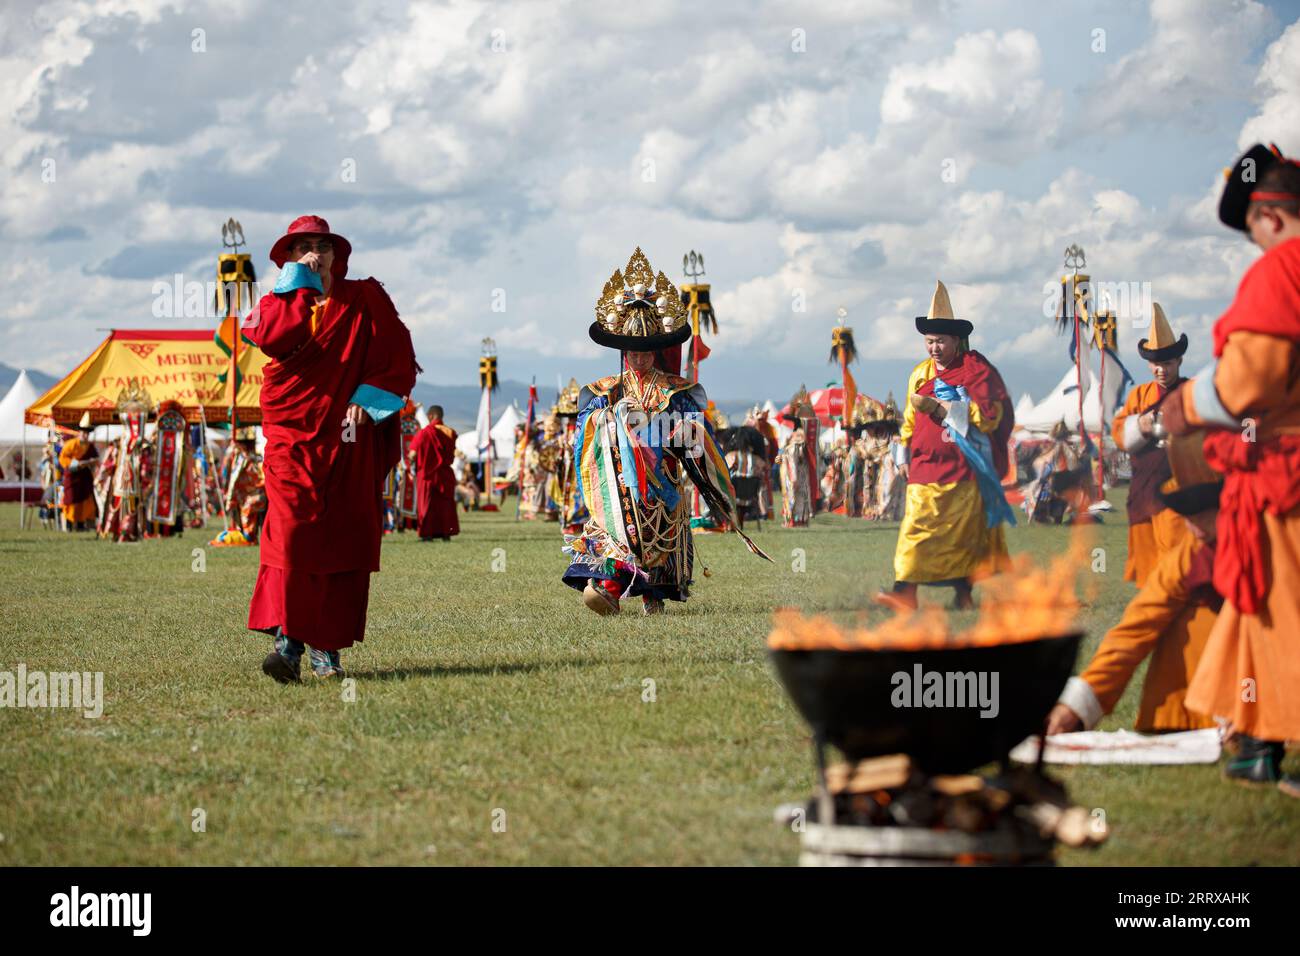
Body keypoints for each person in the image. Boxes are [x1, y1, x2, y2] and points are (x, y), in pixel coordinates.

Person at [1163, 142, 1300, 795]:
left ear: (1270, 218)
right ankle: (1254, 740)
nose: (1255, 246)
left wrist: (1184, 405)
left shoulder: (1283, 270)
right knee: (1259, 607)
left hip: (1286, 474)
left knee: (1282, 610)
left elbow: (1249, 381)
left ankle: (1265, 736)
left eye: (1252, 233)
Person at [244, 215, 419, 682]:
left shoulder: (364, 299)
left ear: (338, 256)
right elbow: (274, 339)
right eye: (304, 246)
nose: (315, 254)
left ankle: (325, 649)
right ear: (287, 257)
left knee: (341, 538)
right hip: (292, 443)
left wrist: (368, 399)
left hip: (348, 440)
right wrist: (295, 287)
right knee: (293, 534)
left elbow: (398, 357)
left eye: (323, 246)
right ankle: (288, 639)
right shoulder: (276, 303)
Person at [562, 248, 766, 616]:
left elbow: (695, 432)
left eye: (646, 351)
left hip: (663, 477)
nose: (638, 358)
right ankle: (609, 586)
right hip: (619, 480)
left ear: (657, 351)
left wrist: (667, 431)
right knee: (621, 530)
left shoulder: (678, 389)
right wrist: (610, 419)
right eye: (631, 351)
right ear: (622, 350)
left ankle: (652, 595)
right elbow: (583, 435)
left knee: (660, 534)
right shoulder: (602, 390)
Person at [1047, 426, 1221, 735]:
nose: (1191, 526)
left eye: (1200, 510)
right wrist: (1076, 706)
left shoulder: (1279, 545)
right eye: (1184, 512)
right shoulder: (1191, 555)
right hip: (1193, 716)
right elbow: (1136, 627)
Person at [875, 281, 1016, 611]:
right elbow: (909, 419)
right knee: (916, 527)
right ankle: (904, 591)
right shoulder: (918, 374)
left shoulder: (975, 371)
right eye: (929, 341)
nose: (934, 347)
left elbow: (990, 416)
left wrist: (942, 409)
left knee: (962, 536)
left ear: (956, 341)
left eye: (940, 341)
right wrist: (903, 453)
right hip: (925, 465)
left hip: (964, 466)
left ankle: (963, 595)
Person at [1111, 303, 1190, 586]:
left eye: (1167, 363)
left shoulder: (1190, 393)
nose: (1161, 370)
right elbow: (1119, 432)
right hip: (1143, 491)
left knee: (1177, 560)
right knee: (1147, 568)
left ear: (1178, 362)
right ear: (1148, 365)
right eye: (1156, 364)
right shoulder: (1138, 396)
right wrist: (1142, 425)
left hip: (1177, 489)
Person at [410, 404, 459, 541]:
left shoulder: (424, 433)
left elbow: (412, 454)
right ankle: (446, 533)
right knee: (445, 505)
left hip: (427, 475)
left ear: (430, 416)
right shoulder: (450, 432)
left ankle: (427, 534)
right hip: (445, 474)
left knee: (427, 504)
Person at [58, 413, 98, 531]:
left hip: (84, 476)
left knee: (85, 501)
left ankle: (81, 524)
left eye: (87, 433)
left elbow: (95, 458)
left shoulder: (90, 446)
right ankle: (70, 524)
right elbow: (63, 458)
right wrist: (76, 464)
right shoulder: (71, 444)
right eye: (83, 432)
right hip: (72, 475)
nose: (85, 435)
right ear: (79, 432)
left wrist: (91, 463)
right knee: (72, 500)